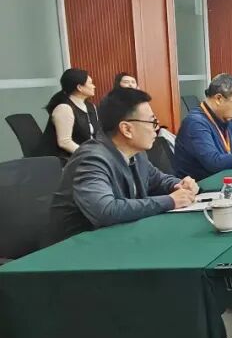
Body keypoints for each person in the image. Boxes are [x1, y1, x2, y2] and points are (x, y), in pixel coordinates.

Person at [42, 88, 200, 247]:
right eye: (152, 122)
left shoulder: (136, 153)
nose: (156, 129)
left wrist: (178, 185)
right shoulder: (91, 159)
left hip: (114, 239)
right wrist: (170, 201)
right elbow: (105, 211)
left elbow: (157, 180)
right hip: (74, 249)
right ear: (126, 129)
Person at [37, 68, 101, 160]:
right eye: (90, 83)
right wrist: (90, 155)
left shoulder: (91, 107)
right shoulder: (64, 108)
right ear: (79, 87)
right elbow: (64, 142)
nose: (94, 86)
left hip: (81, 156)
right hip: (63, 160)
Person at [109, 72, 177, 149]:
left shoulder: (141, 102)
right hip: (129, 139)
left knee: (166, 135)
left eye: (133, 82)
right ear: (118, 85)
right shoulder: (113, 103)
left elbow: (153, 121)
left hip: (146, 135)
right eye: (126, 82)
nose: (130, 85)